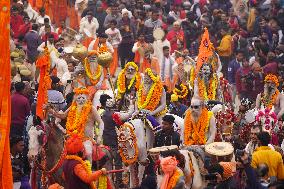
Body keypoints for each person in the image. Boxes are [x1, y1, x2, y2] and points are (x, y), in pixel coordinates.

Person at [100, 94, 134, 188]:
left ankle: (109, 182)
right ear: (113, 106)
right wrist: (131, 104)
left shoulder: (102, 114)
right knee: (118, 162)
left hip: (105, 142)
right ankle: (119, 182)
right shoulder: (115, 115)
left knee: (108, 164)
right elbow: (128, 114)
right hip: (114, 142)